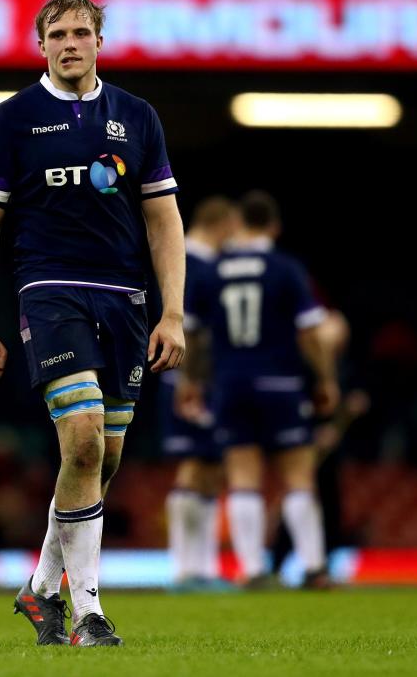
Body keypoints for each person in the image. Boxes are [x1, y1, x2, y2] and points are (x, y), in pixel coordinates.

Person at [0, 0, 185, 646]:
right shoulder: (12, 119)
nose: (69, 43)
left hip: (125, 298)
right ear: (40, 45)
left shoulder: (137, 117)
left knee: (102, 459)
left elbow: (163, 218)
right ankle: (87, 610)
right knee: (83, 439)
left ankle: (38, 590)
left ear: (99, 41)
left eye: (81, 32)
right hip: (50, 290)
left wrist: (173, 312)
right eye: (57, 33)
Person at [179, 191, 339, 588]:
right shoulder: (285, 268)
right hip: (281, 382)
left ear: (240, 224)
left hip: (231, 382)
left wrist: (190, 383)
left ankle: (251, 570)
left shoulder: (213, 271)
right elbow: (310, 332)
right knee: (299, 473)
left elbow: (195, 337)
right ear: (274, 226)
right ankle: (314, 567)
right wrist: (325, 379)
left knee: (241, 474)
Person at [159, 196, 236, 591]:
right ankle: (185, 569)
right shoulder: (197, 266)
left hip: (195, 378)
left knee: (209, 467)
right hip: (191, 379)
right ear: (221, 224)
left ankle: (201, 568)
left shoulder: (188, 261)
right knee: (193, 465)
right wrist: (189, 382)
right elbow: (189, 327)